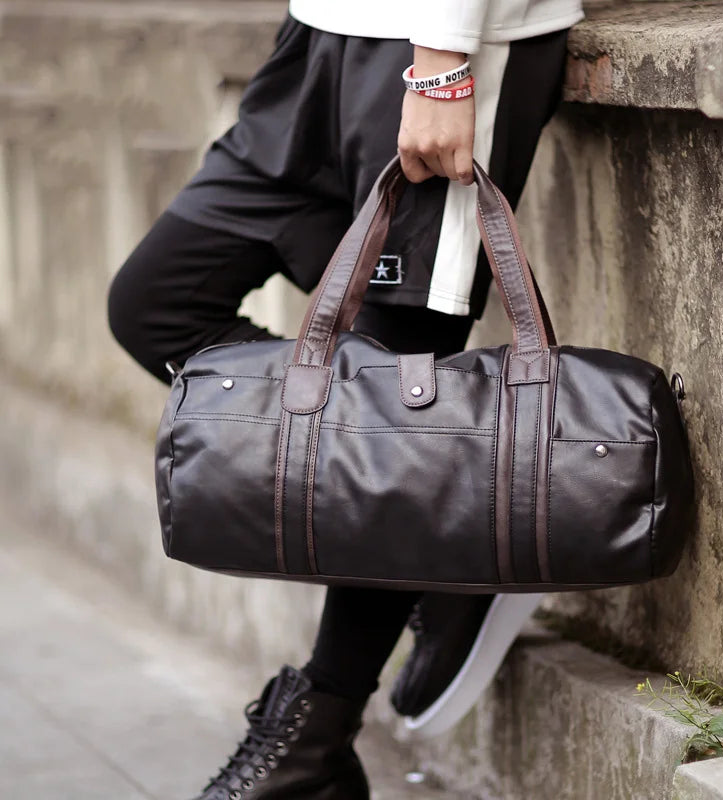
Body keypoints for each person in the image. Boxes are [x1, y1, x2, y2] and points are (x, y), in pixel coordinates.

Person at [107, 0, 583, 796]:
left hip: (437, 46)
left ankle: (316, 743)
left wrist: (442, 61)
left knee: (398, 419)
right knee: (155, 303)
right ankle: (446, 549)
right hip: (323, 33)